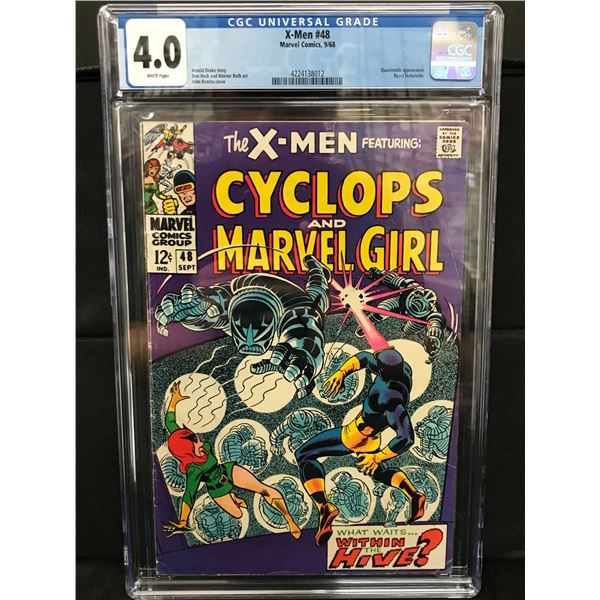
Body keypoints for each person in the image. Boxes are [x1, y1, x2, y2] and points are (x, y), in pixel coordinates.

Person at [295, 346, 426, 546]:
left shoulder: (390, 398)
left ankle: (324, 507)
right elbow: (364, 358)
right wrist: (342, 372)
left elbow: (406, 438)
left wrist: (377, 457)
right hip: (373, 437)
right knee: (378, 472)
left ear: (381, 370)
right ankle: (414, 495)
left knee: (304, 454)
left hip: (355, 435)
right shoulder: (404, 370)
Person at [162, 382, 301, 539]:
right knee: (238, 514)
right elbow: (189, 495)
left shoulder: (181, 437)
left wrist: (174, 400)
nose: (201, 442)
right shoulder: (193, 470)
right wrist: (182, 521)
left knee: (263, 489)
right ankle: (234, 497)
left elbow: (169, 422)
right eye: (196, 443)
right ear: (188, 452)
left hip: (227, 471)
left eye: (197, 438)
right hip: (216, 489)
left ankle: (290, 520)